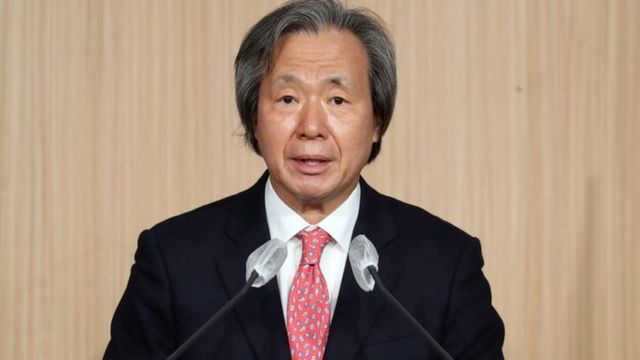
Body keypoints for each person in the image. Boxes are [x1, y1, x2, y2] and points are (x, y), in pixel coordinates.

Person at [104, 0, 505, 359]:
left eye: (337, 100)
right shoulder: (173, 260)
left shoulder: (445, 264)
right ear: (254, 119)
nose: (311, 127)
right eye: (288, 99)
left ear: (377, 121)